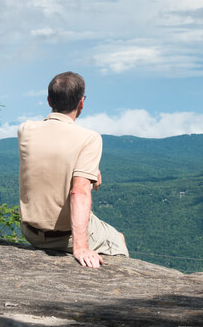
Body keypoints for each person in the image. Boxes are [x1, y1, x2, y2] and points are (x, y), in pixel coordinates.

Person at [18, 71, 128, 268]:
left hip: (30, 231)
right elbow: (79, 191)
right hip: (63, 237)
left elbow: (48, 159)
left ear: (49, 101)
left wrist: (91, 171)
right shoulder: (89, 138)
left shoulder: (25, 130)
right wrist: (81, 247)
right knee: (117, 238)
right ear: (81, 103)